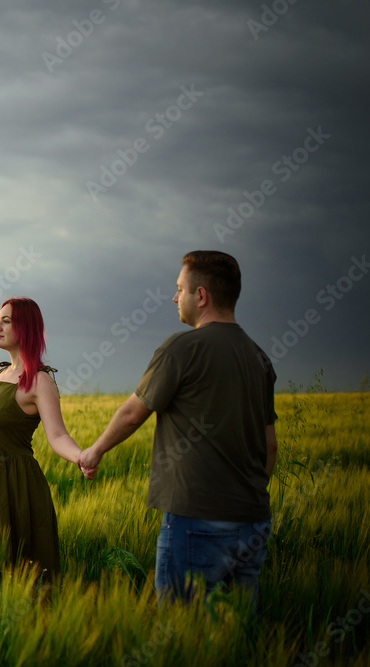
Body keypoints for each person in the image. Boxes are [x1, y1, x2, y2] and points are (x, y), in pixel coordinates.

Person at [78, 250, 277, 610]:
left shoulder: (182, 348)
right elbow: (270, 446)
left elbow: (132, 415)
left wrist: (95, 451)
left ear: (201, 296)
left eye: (180, 289)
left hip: (195, 518)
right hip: (252, 522)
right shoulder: (259, 357)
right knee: (239, 635)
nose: (174, 297)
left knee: (181, 631)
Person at [0, 296, 91, 579]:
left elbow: (57, 435)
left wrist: (80, 457)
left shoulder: (39, 381)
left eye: (6, 321)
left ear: (27, 328)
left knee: (20, 572)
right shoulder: (2, 374)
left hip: (15, 487)